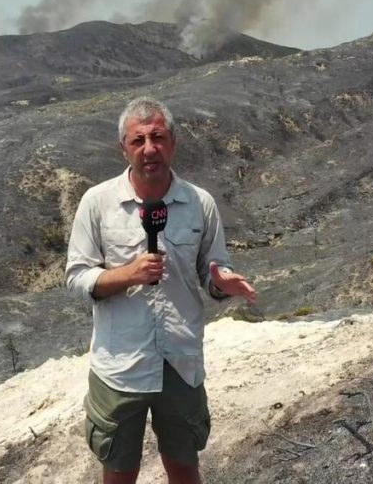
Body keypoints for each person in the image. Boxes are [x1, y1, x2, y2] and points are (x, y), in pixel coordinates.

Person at [66, 96, 256, 484]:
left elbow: (212, 269)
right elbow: (77, 278)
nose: (149, 148)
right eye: (138, 140)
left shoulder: (199, 203)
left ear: (173, 143)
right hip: (120, 366)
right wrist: (128, 274)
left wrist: (221, 283)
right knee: (119, 472)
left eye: (158, 137)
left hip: (181, 362)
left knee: (184, 467)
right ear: (123, 147)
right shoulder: (97, 203)